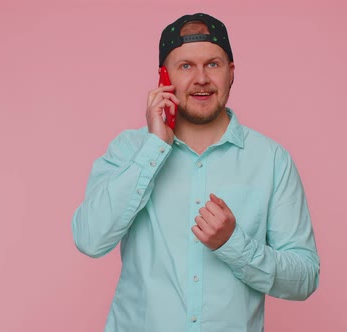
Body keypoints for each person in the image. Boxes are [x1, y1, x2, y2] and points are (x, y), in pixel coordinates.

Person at [72, 12, 320, 332]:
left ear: (231, 73)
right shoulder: (129, 150)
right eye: (186, 66)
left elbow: (305, 277)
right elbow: (89, 239)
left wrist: (234, 244)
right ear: (164, 77)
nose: (201, 78)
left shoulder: (272, 160)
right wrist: (155, 147)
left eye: (213, 64)